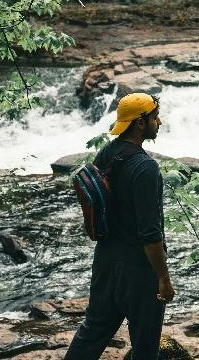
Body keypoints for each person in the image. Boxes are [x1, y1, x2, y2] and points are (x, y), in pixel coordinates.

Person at [65, 92, 174, 360]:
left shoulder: (107, 154)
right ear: (139, 123)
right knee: (145, 347)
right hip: (139, 271)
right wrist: (163, 277)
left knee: (92, 334)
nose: (159, 122)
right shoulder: (146, 168)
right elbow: (150, 234)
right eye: (154, 117)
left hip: (105, 262)